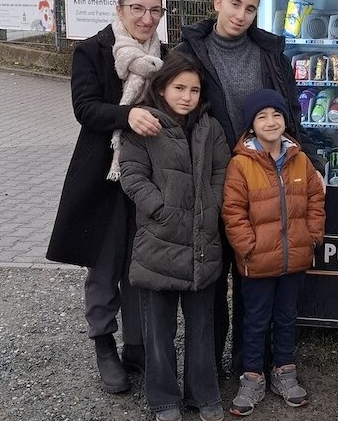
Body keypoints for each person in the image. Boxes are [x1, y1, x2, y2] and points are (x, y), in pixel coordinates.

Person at [175, 0, 322, 377]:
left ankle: (248, 367)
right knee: (209, 278)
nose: (241, 14)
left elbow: (288, 112)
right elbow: (173, 108)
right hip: (209, 177)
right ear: (217, 2)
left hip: (260, 176)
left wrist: (309, 160)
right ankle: (206, 373)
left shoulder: (269, 53)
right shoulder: (189, 51)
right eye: (235, 3)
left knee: (252, 276)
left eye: (251, 8)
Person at [47, 0, 166, 393]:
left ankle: (137, 346)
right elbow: (85, 109)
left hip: (149, 176)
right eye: (138, 9)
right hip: (103, 174)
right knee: (104, 265)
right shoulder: (93, 51)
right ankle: (104, 345)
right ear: (119, 9)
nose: (147, 18)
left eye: (155, 10)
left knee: (140, 265)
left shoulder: (164, 56)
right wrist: (127, 115)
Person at [119, 52, 231, 421]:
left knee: (202, 327)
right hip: (159, 241)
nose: (187, 96)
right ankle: (164, 399)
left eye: (194, 90)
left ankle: (202, 393)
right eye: (179, 88)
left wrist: (211, 208)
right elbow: (132, 173)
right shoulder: (146, 125)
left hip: (201, 240)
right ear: (163, 87)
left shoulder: (209, 127)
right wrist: (159, 208)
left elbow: (221, 170)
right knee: (158, 331)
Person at [221, 88, 325, 415]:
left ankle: (285, 371)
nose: (271, 121)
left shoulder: (300, 159)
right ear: (251, 125)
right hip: (257, 262)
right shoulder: (241, 164)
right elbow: (233, 211)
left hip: (294, 257)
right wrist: (247, 248)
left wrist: (312, 237)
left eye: (277, 115)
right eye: (262, 116)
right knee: (254, 321)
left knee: (285, 318)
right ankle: (252, 378)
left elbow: (315, 200)